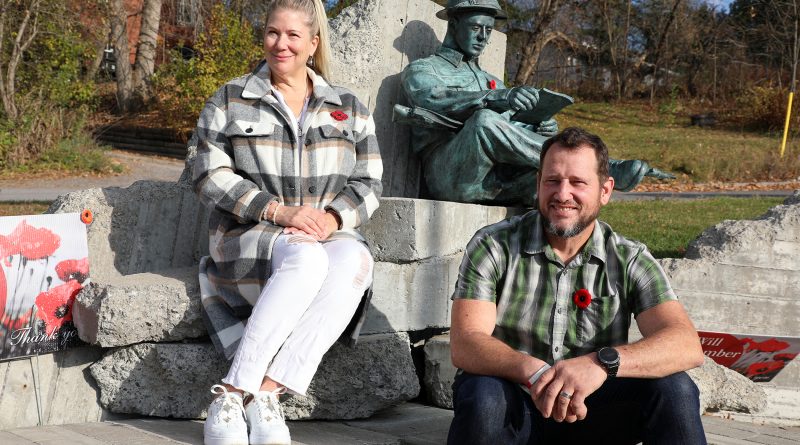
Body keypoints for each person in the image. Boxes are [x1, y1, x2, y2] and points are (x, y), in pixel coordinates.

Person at [191, 1, 382, 444]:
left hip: (323, 231)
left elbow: (370, 181)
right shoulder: (231, 98)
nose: (282, 44)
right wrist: (278, 212)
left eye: (294, 35)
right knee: (307, 261)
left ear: (313, 44)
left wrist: (333, 219)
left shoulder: (348, 107)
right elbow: (207, 173)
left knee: (355, 260)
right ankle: (232, 393)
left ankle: (267, 393)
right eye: (273, 33)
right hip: (251, 235)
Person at [447, 127, 707, 444]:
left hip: (596, 411)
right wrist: (534, 371)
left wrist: (601, 364)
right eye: (552, 181)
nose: (563, 194)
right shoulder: (493, 245)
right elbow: (466, 342)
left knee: (675, 388)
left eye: (578, 183)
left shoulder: (629, 258)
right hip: (515, 404)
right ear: (538, 185)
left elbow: (685, 344)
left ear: (605, 190)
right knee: (482, 394)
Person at [400, 0, 672, 206]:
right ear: (453, 24)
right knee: (484, 121)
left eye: (488, 29)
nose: (483, 36)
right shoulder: (424, 69)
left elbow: (507, 130)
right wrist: (494, 97)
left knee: (556, 186)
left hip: (496, 179)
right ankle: (598, 167)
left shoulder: (490, 79)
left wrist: (537, 127)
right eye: (475, 27)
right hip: (451, 176)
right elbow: (431, 98)